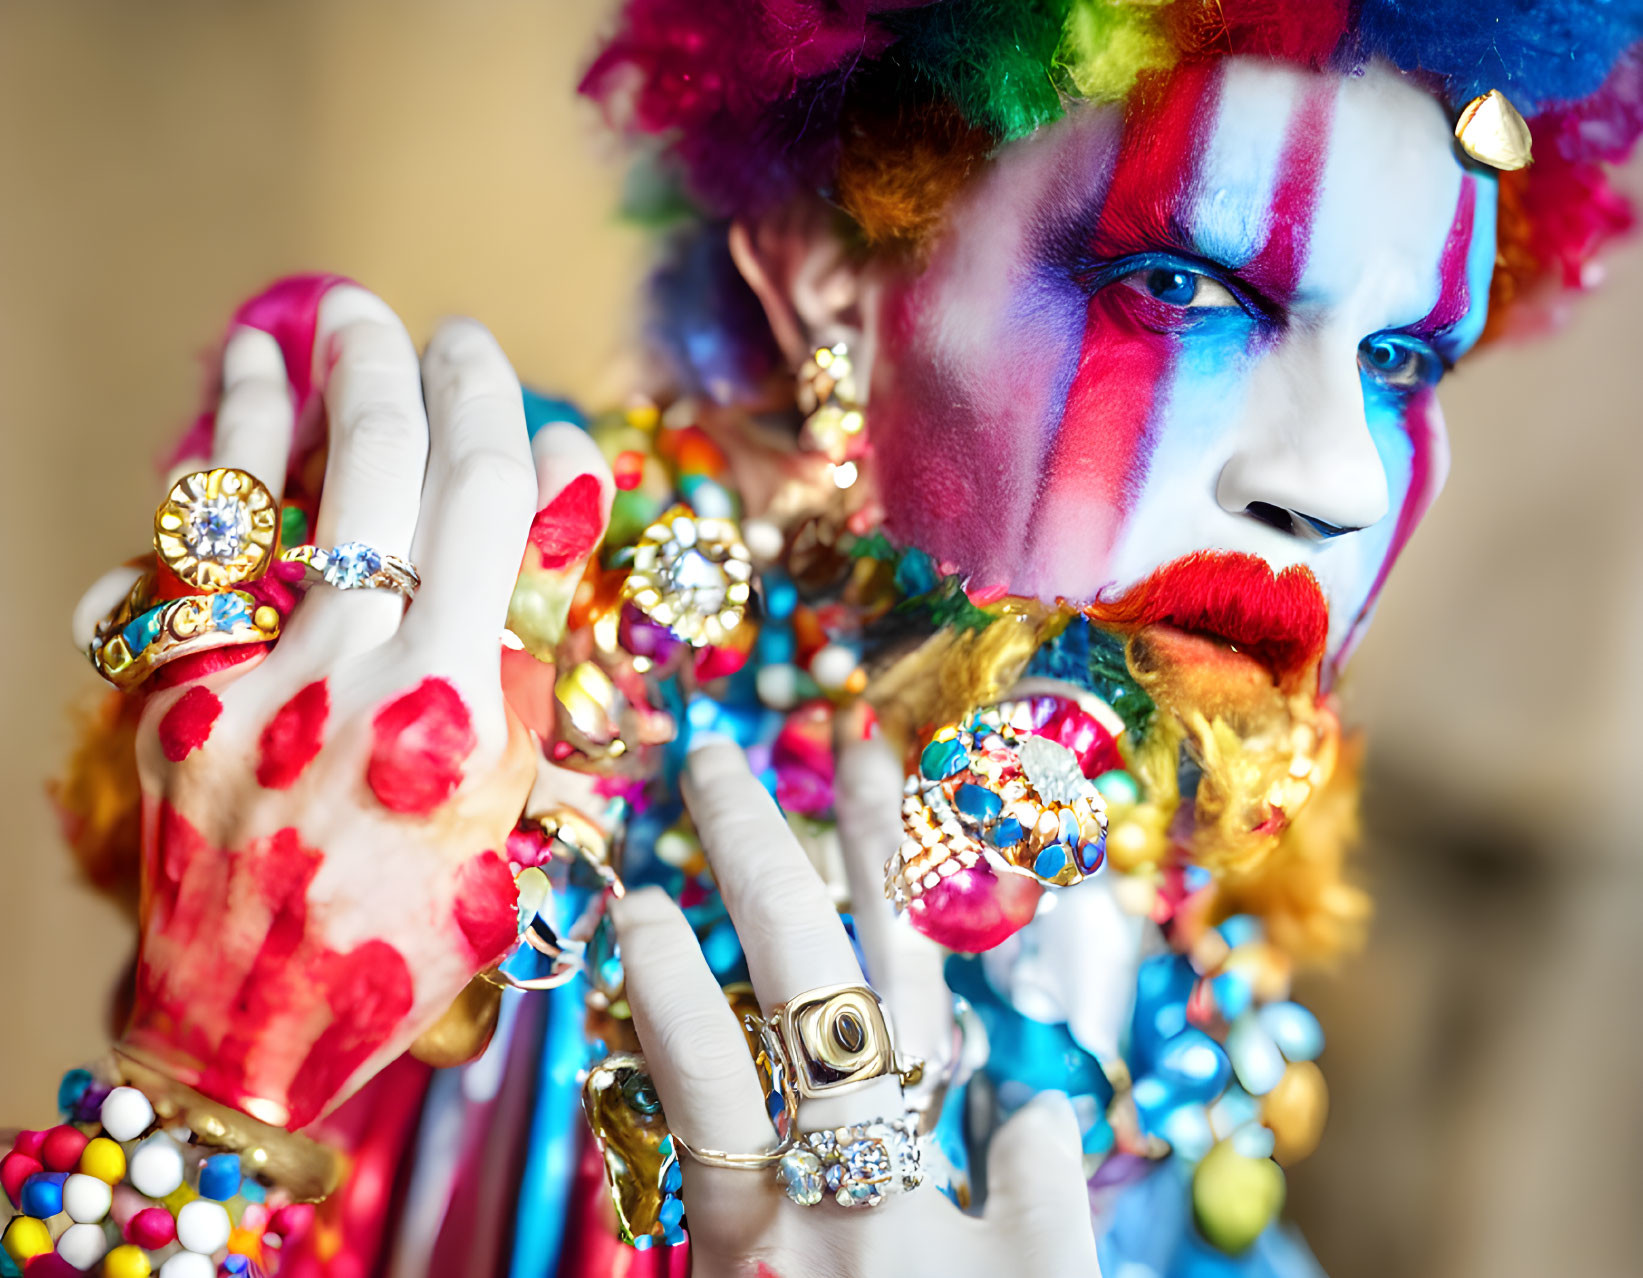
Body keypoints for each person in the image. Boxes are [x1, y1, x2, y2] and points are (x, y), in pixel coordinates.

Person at [14, 3, 1643, 1277]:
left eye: (1408, 361)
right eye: (1179, 291)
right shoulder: (491, 754)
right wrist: (210, 1086)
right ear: (831, 285)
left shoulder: (1164, 858)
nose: (1341, 479)